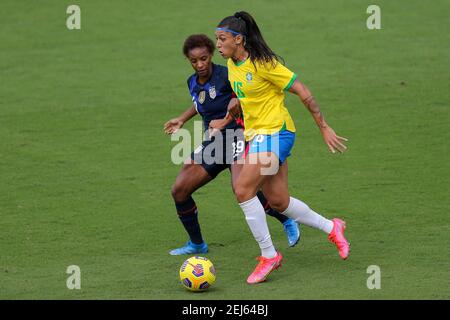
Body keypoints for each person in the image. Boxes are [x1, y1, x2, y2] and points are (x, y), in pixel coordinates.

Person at [213, 11, 350, 284]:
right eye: (217, 39)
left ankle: (269, 255)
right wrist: (229, 116)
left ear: (239, 40)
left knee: (242, 189)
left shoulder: (265, 64)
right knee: (278, 201)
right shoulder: (232, 64)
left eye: (223, 39)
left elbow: (303, 91)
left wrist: (324, 127)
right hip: (258, 136)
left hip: (277, 133)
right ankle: (332, 227)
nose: (218, 44)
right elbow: (249, 96)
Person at [164, 34, 301, 255]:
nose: (200, 64)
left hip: (240, 136)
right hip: (216, 142)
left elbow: (246, 97)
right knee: (179, 190)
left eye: (204, 58)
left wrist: (231, 112)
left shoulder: (227, 74)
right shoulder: (192, 82)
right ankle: (197, 244)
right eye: (194, 61)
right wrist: (181, 119)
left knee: (243, 189)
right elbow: (200, 104)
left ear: (211, 56)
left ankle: (287, 221)